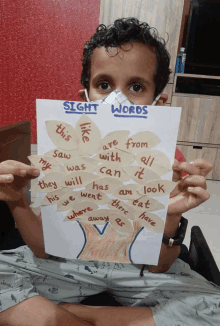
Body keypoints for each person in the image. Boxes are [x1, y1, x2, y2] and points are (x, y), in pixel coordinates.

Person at [0, 18, 219, 326]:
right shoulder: (61, 153)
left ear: (158, 103)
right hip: (68, 267)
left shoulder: (170, 162)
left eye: (136, 87)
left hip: (137, 273)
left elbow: (159, 266)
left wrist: (169, 217)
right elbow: (43, 250)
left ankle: (84, 316)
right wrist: (17, 201)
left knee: (213, 308)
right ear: (85, 96)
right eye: (104, 85)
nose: (118, 100)